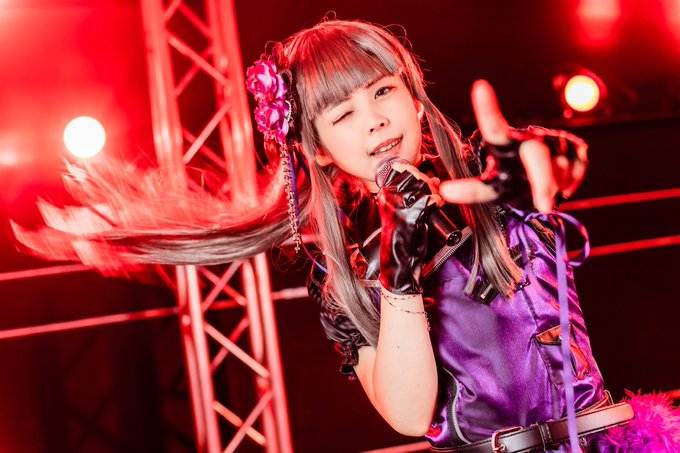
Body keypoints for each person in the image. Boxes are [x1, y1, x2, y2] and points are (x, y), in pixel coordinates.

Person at [14, 18, 679, 453]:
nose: (374, 122)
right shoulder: (344, 276)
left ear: (413, 96)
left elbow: (547, 165)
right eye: (343, 112)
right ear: (320, 149)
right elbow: (409, 413)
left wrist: (540, 161)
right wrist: (400, 271)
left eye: (383, 92)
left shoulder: (486, 169)